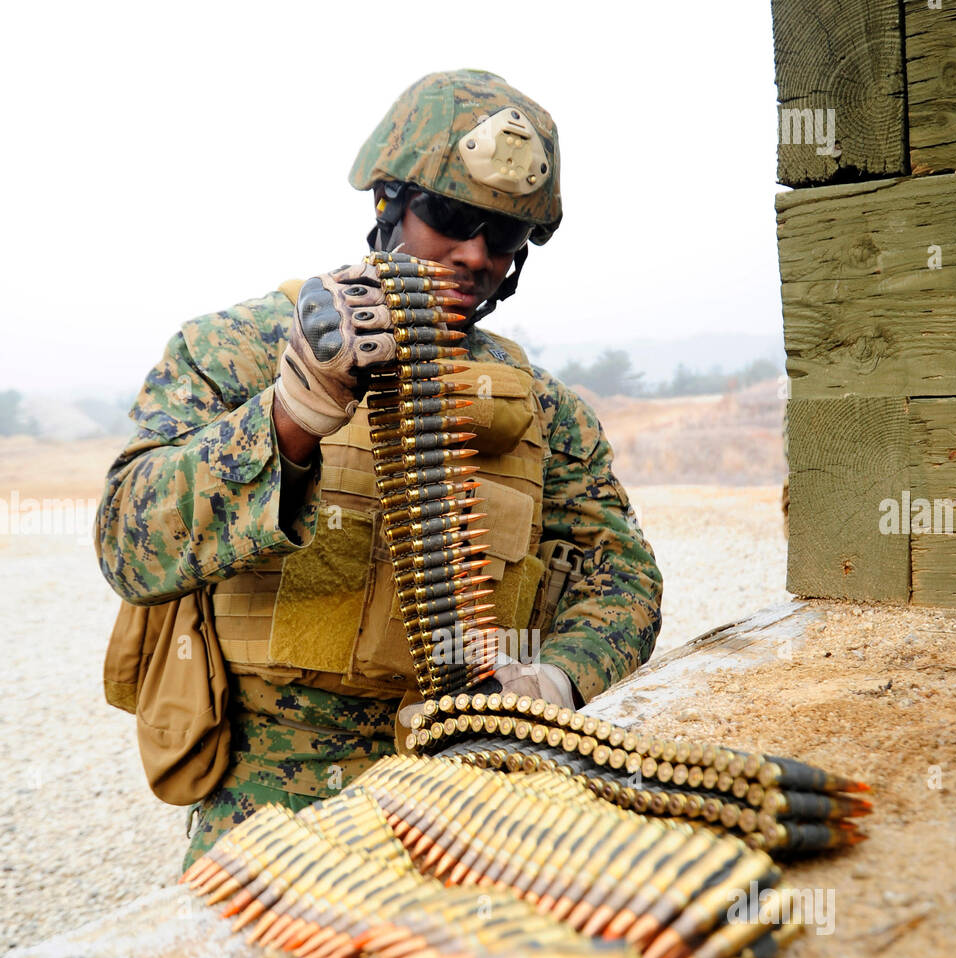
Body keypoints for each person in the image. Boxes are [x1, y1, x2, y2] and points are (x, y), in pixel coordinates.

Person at [95, 69, 663, 868]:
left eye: (504, 237)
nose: (476, 255)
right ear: (387, 203)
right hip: (271, 821)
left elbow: (624, 579)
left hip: (469, 806)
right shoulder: (240, 347)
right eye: (453, 216)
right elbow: (127, 542)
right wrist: (287, 419)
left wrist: (559, 678)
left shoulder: (541, 405)